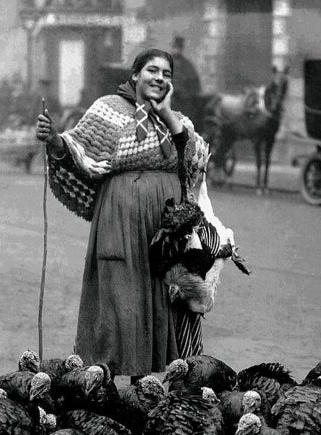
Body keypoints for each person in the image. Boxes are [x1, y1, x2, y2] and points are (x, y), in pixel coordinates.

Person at [35, 48, 211, 379]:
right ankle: (104, 383)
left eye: (166, 74)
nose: (159, 78)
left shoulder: (177, 120)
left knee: (161, 301)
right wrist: (54, 139)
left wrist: (167, 113)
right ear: (134, 75)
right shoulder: (107, 110)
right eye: (152, 71)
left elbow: (194, 160)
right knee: (120, 302)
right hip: (120, 222)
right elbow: (78, 150)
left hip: (165, 232)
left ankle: (145, 387)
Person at [169, 36, 202, 125]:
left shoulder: (187, 65)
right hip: (169, 99)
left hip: (184, 102)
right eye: (175, 47)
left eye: (179, 47)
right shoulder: (166, 62)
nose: (176, 49)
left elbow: (194, 82)